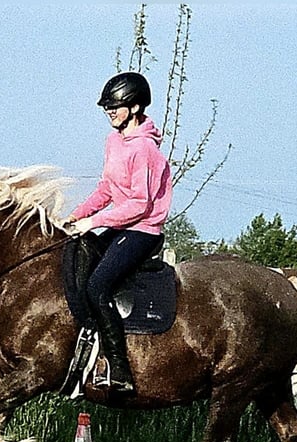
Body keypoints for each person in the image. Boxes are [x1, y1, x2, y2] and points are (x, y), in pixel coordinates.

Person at [65, 71, 173, 395]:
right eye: (108, 107)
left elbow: (140, 205)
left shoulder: (145, 151)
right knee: (78, 261)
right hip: (120, 224)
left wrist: (95, 223)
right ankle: (87, 351)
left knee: (99, 283)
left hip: (143, 229)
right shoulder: (114, 141)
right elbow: (106, 189)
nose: (110, 112)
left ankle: (119, 368)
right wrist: (76, 216)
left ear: (136, 108)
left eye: (117, 106)